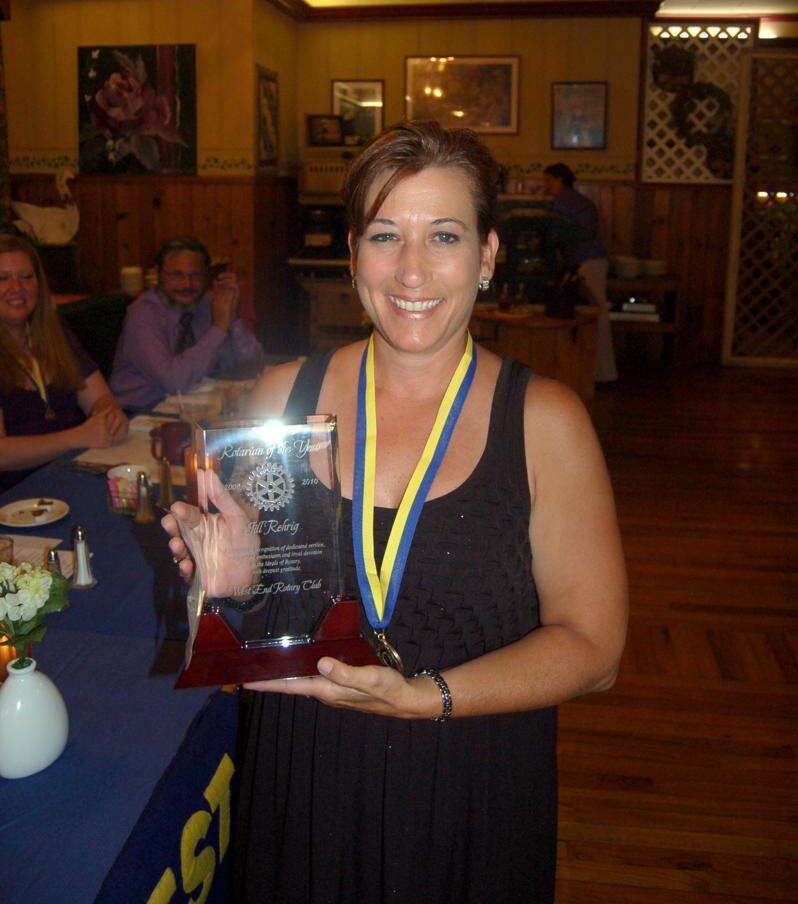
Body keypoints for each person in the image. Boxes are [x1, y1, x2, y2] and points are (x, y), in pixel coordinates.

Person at [163, 122, 628, 904]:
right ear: (353, 256)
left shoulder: (546, 423)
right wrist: (233, 585)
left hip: (468, 787)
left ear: (486, 256)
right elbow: (256, 610)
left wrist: (425, 696)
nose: (412, 270)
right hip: (304, 781)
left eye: (444, 236)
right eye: (385, 236)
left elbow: (594, 648)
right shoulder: (281, 399)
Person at [0, 235, 128, 494]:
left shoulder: (54, 332)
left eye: (26, 277)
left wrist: (109, 416)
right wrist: (78, 437)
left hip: (68, 479)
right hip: (14, 497)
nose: (16, 287)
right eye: (3, 278)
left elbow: (100, 399)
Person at [110, 236, 264, 411]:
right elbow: (174, 382)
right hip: (141, 411)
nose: (187, 284)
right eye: (177, 275)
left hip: (191, 405)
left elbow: (251, 365)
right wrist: (218, 329)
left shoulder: (207, 305)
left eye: (195, 275)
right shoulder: (143, 315)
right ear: (159, 275)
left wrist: (232, 316)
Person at [543, 162, 618, 384]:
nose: (546, 185)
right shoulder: (578, 201)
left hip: (588, 263)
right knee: (597, 314)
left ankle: (604, 374)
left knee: (598, 315)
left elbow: (557, 233)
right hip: (592, 262)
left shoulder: (563, 201)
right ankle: (601, 373)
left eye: (548, 180)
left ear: (559, 180)